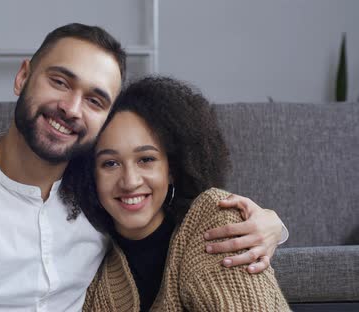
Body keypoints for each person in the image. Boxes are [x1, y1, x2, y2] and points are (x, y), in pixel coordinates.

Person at [0, 24, 287, 311]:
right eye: (59, 81)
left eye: (95, 100)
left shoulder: (98, 201)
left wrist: (273, 224)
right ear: (24, 76)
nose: (71, 109)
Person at [60, 76, 289, 311]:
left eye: (146, 159)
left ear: (172, 169)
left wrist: (277, 226)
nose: (130, 181)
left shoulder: (214, 220)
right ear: (90, 175)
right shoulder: (89, 266)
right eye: (110, 163)